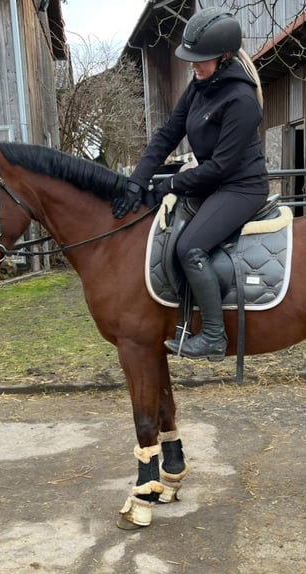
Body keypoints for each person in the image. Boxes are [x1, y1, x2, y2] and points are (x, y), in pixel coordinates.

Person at [112, 7, 269, 361]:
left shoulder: (241, 100)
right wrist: (137, 181)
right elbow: (168, 133)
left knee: (190, 247)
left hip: (240, 187)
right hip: (214, 181)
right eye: (191, 60)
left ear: (225, 56)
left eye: (201, 60)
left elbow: (219, 168)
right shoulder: (199, 86)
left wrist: (169, 185)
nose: (193, 67)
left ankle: (213, 335)